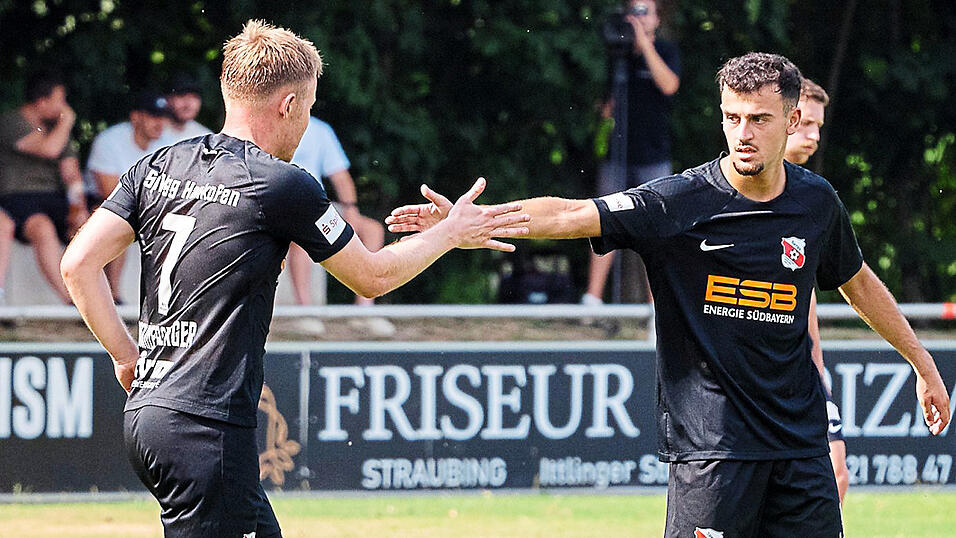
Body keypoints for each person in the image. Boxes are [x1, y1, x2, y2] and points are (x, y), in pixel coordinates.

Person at [387, 52, 951, 536]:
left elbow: (857, 282)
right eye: (732, 118)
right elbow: (571, 214)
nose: (742, 134)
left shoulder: (816, 203)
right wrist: (476, 220)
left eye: (758, 119)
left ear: (793, 118)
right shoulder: (679, 202)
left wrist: (921, 360)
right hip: (712, 453)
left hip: (800, 450)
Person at [60, 20, 527, 538]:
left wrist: (128, 356)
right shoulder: (282, 185)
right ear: (286, 105)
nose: (305, 125)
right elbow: (371, 277)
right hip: (205, 426)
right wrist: (451, 232)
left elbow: (77, 264)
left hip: (149, 414)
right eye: (306, 109)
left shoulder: (160, 164)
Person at [583, 0, 680, 307]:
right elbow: (607, 105)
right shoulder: (619, 56)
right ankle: (593, 299)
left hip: (654, 156)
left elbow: (669, 85)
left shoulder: (665, 51)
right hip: (619, 154)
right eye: (633, 11)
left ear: (656, 18)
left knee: (657, 230)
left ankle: (657, 307)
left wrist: (644, 46)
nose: (638, 18)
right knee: (602, 220)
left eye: (644, 12)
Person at [784, 77, 850, 505]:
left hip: (805, 372)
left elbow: (804, 294)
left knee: (837, 473)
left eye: (818, 127)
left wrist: (818, 366)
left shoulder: (811, 197)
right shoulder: (744, 196)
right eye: (805, 124)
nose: (813, 136)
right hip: (762, 376)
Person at [289, 116, 394, 336]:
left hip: (318, 208)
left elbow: (340, 177)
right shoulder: (271, 122)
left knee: (372, 230)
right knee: (299, 239)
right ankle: (305, 313)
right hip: (285, 206)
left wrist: (351, 209)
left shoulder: (319, 129)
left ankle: (363, 312)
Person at [0, 70, 88, 304]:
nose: (64, 107)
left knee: (90, 225)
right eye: (60, 100)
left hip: (53, 197)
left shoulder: (57, 129)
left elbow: (71, 173)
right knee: (43, 227)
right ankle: (72, 301)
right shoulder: (12, 122)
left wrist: (77, 207)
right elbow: (48, 149)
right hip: (18, 197)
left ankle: (103, 296)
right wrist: (68, 120)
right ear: (41, 101)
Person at [86, 90, 171, 303]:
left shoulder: (167, 145)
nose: (159, 122)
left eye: (162, 116)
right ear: (136, 117)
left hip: (148, 207)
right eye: (153, 116)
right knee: (118, 220)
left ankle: (164, 301)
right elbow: (110, 193)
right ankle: (114, 297)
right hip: (102, 204)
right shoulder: (109, 140)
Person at [160, 73, 213, 145]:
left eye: (194, 97)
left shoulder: (205, 137)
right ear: (167, 99)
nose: (188, 103)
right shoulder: (152, 132)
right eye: (181, 96)